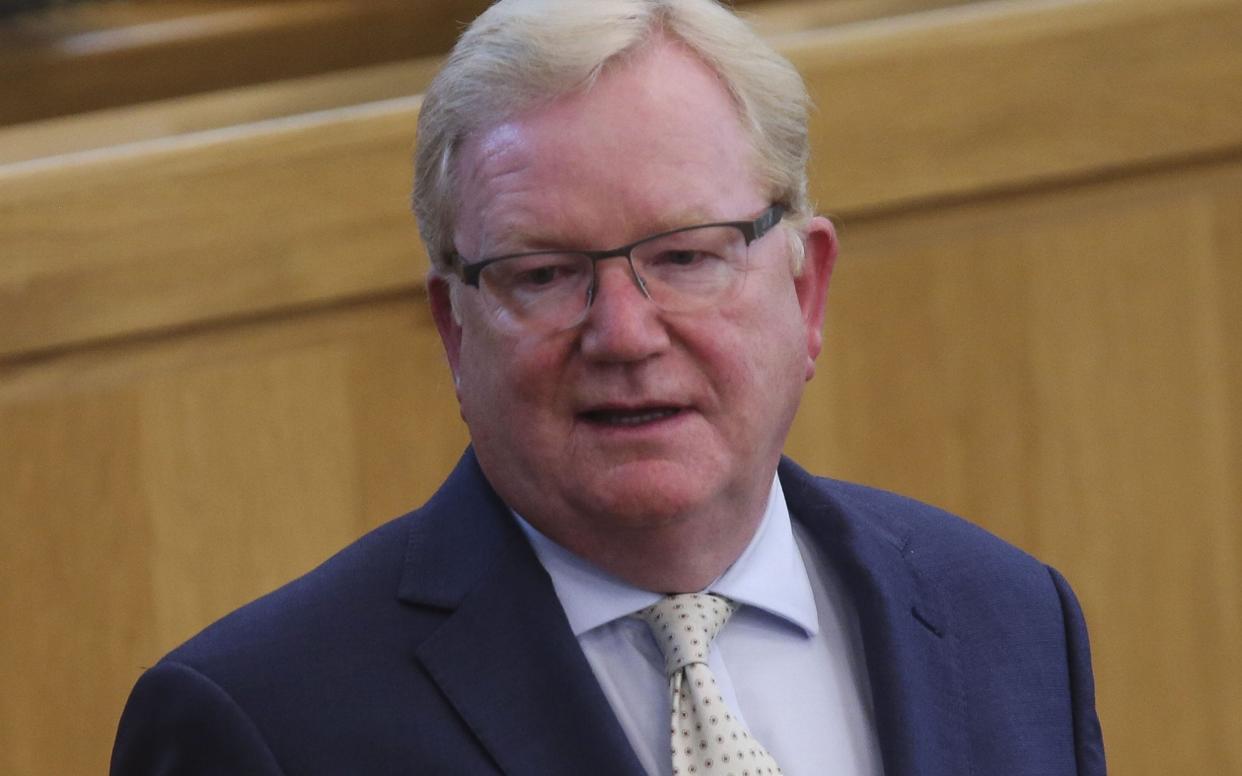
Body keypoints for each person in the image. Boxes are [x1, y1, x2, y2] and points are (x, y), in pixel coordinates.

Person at [111, 1, 1106, 774]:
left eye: (684, 256)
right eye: (542, 273)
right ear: (456, 328)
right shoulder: (265, 720)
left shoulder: (1009, 617)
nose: (623, 333)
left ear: (806, 289)